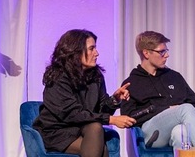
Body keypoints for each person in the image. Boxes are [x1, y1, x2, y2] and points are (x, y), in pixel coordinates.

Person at [33, 29, 135, 157]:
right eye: (91, 48)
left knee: (95, 127)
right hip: (57, 132)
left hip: (82, 128)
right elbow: (72, 114)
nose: (97, 53)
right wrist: (111, 120)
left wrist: (115, 99)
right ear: (75, 52)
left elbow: (99, 111)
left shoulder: (96, 76)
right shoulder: (58, 77)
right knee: (100, 145)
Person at [121, 31, 195, 148]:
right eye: (161, 52)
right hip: (150, 133)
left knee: (180, 132)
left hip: (175, 129)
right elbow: (127, 117)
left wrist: (179, 114)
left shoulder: (174, 77)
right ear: (146, 53)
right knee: (185, 109)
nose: (167, 55)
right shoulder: (132, 83)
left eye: (166, 51)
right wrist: (166, 109)